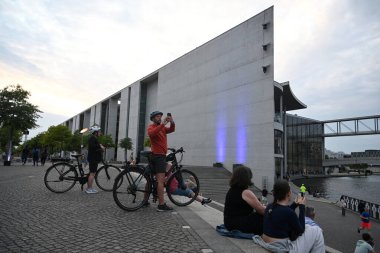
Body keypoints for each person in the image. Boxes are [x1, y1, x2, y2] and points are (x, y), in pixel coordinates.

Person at [253, 180, 325, 253]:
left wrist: (294, 204)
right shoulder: (289, 213)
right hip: (279, 247)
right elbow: (301, 230)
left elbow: (282, 214)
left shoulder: (269, 207)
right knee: (317, 231)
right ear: (289, 193)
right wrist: (302, 207)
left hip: (266, 243)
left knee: (309, 227)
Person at [223, 166, 265, 234]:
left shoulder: (231, 190)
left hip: (229, 223)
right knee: (261, 217)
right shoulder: (245, 192)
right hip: (237, 224)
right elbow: (262, 210)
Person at [147, 111, 175, 212]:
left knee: (149, 179)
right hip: (158, 156)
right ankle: (161, 205)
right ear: (153, 118)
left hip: (160, 156)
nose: (159, 118)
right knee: (160, 181)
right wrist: (163, 123)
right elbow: (152, 133)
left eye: (160, 116)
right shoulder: (151, 127)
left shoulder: (162, 128)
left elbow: (172, 129)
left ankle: (145, 200)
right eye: (157, 117)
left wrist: (172, 121)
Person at [86, 125, 104, 194]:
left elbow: (95, 147)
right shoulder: (92, 139)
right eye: (99, 131)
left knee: (92, 173)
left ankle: (89, 188)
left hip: (93, 159)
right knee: (92, 174)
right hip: (93, 159)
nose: (100, 133)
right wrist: (100, 147)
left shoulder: (93, 138)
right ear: (95, 132)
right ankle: (89, 189)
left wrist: (100, 146)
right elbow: (94, 147)